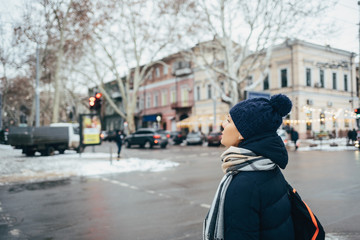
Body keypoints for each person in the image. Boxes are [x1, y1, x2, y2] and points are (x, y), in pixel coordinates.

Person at [203, 94, 294, 240]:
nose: (223, 124)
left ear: (243, 133)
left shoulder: (244, 184)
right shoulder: (268, 167)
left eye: (228, 121)